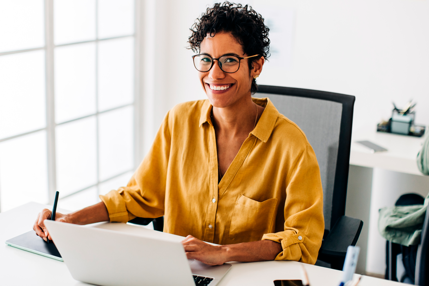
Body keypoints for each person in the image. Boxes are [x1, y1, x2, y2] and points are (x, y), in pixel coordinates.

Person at [34, 2, 324, 266]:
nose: (215, 74)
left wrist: (223, 253)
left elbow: (302, 239)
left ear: (256, 66)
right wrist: (70, 220)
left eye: (230, 61)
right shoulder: (179, 120)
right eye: (206, 60)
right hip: (177, 275)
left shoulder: (291, 144)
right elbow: (139, 197)